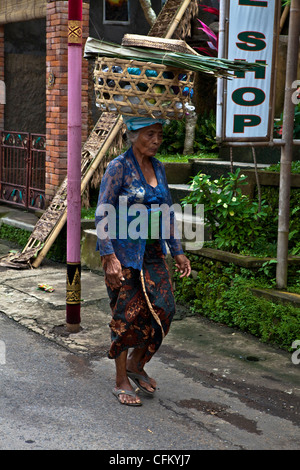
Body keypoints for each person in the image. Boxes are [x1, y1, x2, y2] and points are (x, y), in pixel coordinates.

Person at [95, 116, 191, 406]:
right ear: (132, 134)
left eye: (160, 135)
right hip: (123, 256)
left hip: (152, 254)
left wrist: (178, 251)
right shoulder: (118, 167)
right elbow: (102, 212)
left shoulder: (158, 167)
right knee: (126, 318)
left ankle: (137, 364)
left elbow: (167, 212)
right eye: (150, 134)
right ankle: (121, 379)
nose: (157, 140)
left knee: (165, 310)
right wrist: (108, 255)